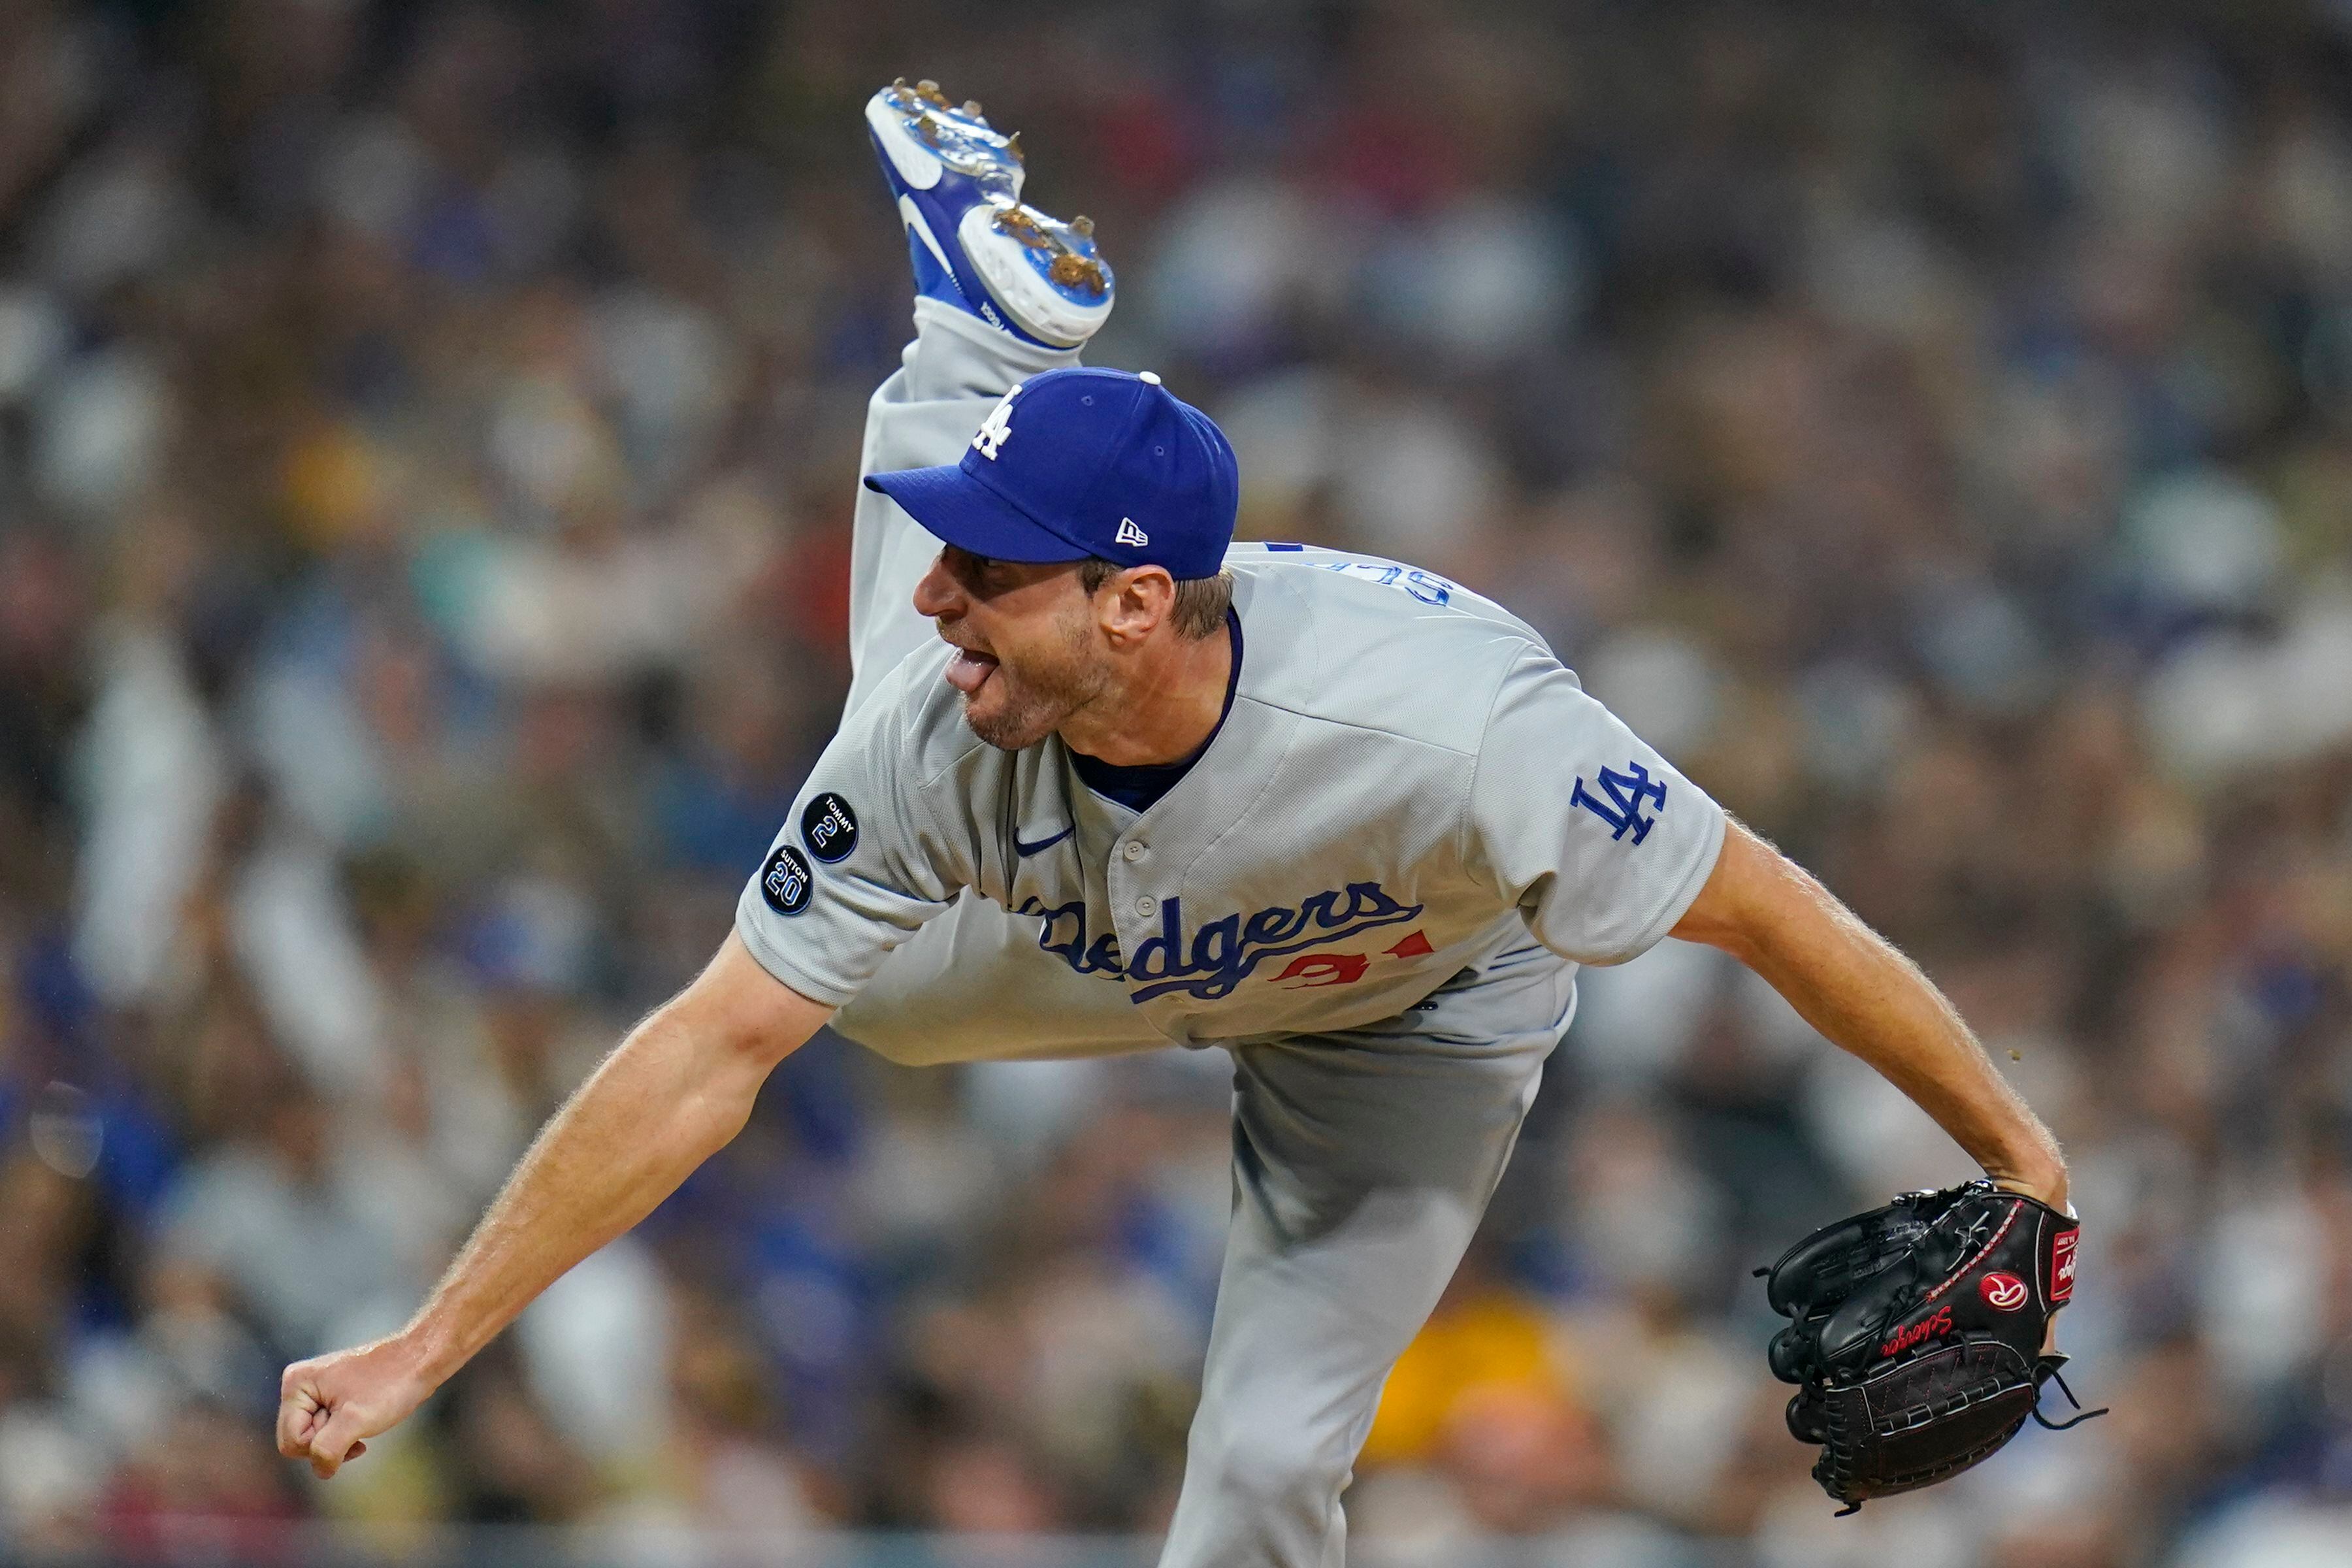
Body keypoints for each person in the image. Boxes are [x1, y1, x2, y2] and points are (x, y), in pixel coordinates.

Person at [278, 80, 2070, 1567]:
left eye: (989, 562)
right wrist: (433, 1341)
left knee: (1271, 1470)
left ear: (1135, 603)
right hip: (1123, 930)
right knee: (876, 976)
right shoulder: (947, 719)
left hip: (1412, 1016)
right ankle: (970, 342)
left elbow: (1769, 911)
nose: (936, 596)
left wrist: (2024, 1161)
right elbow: (706, 1050)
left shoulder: (1463, 736)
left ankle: (977, 334)